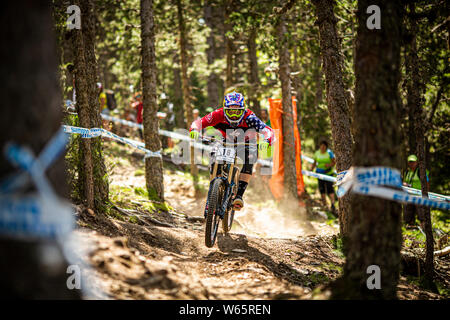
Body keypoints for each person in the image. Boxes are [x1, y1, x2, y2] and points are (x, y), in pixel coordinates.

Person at [189, 91, 275, 211]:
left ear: (243, 110)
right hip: (226, 140)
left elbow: (267, 130)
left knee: (249, 159)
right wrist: (194, 129)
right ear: (225, 110)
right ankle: (213, 191)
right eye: (231, 111)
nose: (234, 115)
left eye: (237, 111)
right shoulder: (218, 114)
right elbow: (199, 122)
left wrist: (266, 141)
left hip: (246, 142)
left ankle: (239, 195)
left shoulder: (249, 117)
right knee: (214, 156)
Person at [311, 140, 337, 215]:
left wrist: (329, 165)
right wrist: (310, 170)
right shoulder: (317, 153)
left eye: (324, 146)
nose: (322, 147)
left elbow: (334, 162)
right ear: (320, 146)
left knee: (330, 189)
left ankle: (332, 204)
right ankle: (324, 204)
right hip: (319, 174)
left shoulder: (329, 153)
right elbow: (314, 162)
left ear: (326, 147)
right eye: (321, 146)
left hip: (328, 174)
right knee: (321, 189)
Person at [402, 154, 429, 226]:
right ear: (408, 163)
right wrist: (404, 184)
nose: (412, 164)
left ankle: (423, 227)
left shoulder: (421, 171)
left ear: (417, 162)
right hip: (409, 196)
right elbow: (405, 182)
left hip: (419, 196)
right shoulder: (407, 172)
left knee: (422, 214)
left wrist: (427, 194)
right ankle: (410, 226)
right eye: (410, 162)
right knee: (408, 213)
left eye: (413, 162)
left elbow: (427, 182)